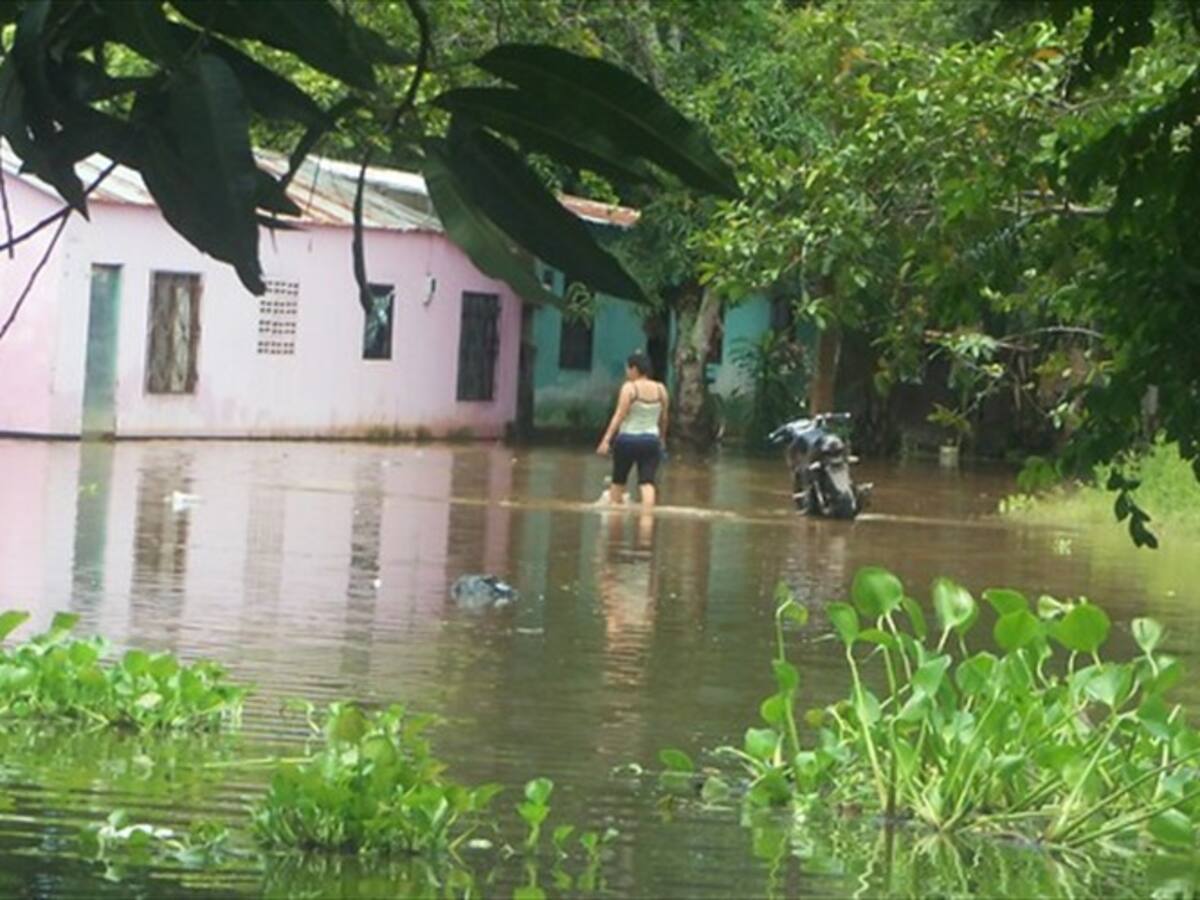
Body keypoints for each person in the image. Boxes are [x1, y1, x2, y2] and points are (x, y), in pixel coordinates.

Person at [596, 352, 668, 508]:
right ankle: (647, 519)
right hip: (651, 440)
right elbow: (664, 418)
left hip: (627, 440)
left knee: (618, 481)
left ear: (634, 369)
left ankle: (614, 521)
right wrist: (662, 440)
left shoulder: (629, 388)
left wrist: (606, 440)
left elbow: (619, 416)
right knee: (647, 482)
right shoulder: (661, 389)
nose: (626, 373)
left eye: (627, 369)